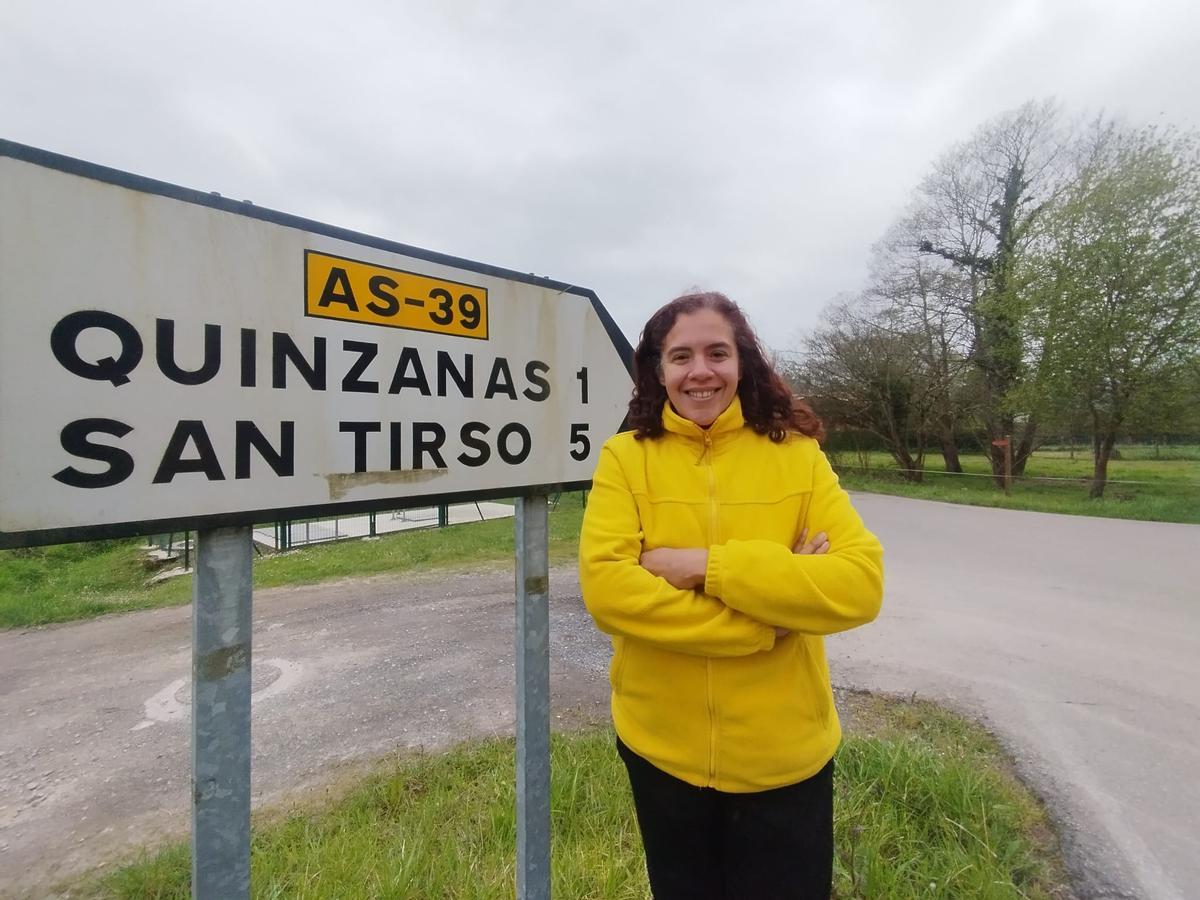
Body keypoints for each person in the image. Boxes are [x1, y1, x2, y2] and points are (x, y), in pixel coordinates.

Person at [578, 291, 884, 899]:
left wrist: (700, 566)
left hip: (785, 755)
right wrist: (765, 619)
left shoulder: (798, 458)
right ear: (657, 371)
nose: (700, 371)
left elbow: (859, 585)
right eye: (680, 356)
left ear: (741, 361)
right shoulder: (624, 459)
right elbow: (608, 589)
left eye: (717, 352)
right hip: (660, 748)